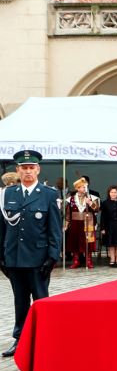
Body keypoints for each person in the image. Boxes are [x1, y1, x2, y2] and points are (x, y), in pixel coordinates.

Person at [0, 150, 61, 358]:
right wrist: (1, 255)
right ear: (17, 170)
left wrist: (53, 257)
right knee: (20, 301)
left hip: (38, 259)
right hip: (14, 257)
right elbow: (2, 227)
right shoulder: (7, 194)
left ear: (38, 169)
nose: (28, 171)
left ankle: (45, 339)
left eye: (31, 168)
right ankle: (20, 340)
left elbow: (54, 229)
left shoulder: (50, 194)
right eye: (24, 168)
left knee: (41, 300)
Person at [65, 177, 98, 268]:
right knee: (75, 241)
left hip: (88, 222)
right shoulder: (71, 199)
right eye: (83, 187)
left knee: (88, 241)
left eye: (85, 187)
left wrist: (91, 203)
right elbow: (68, 212)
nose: (85, 189)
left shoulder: (92, 197)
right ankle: (76, 261)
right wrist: (66, 224)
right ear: (77, 188)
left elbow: (97, 210)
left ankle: (88, 261)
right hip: (75, 223)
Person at [100, 186, 117, 268]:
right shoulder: (105, 202)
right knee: (111, 243)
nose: (113, 194)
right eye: (112, 192)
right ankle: (112, 260)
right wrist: (103, 228)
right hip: (109, 225)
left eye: (115, 192)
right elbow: (103, 216)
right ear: (109, 193)